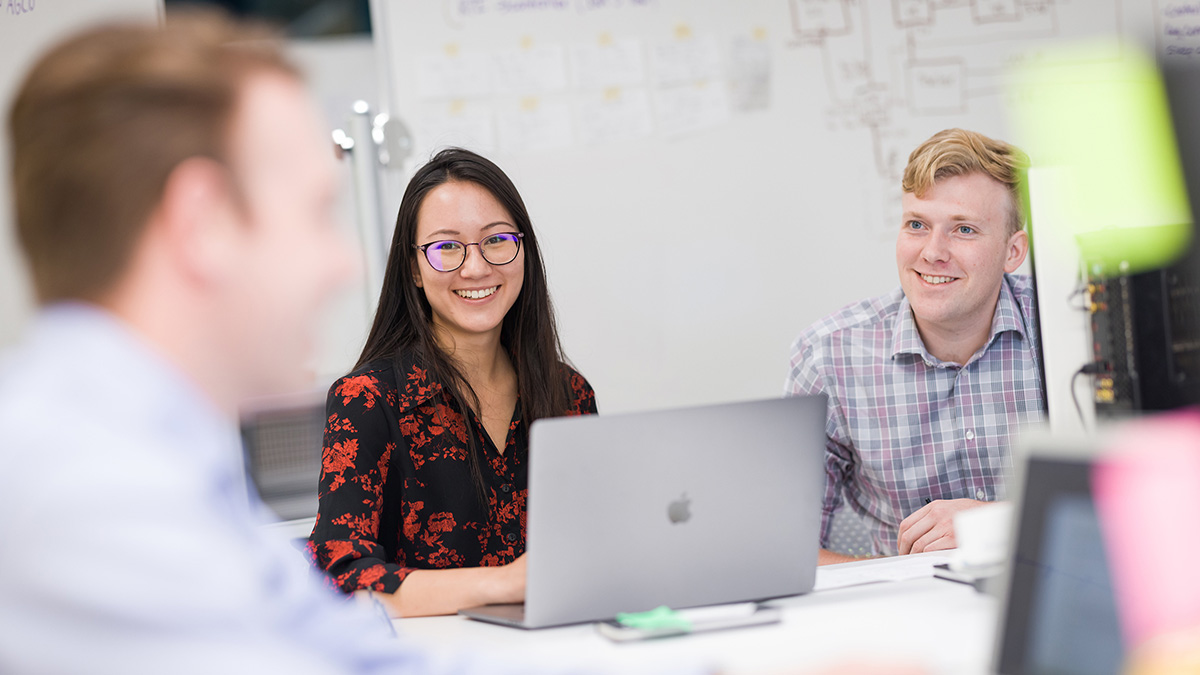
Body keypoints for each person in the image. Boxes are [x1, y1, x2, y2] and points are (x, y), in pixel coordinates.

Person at [0, 13, 593, 674]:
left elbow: (337, 644)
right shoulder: (88, 491)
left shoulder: (171, 451)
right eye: (314, 212)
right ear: (203, 223)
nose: (343, 263)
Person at [309, 148, 597, 617]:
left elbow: (595, 552)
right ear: (415, 270)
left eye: (497, 240)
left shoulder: (570, 395)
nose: (476, 267)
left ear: (524, 249)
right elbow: (337, 580)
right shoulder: (367, 399)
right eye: (447, 247)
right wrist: (503, 583)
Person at [785, 128, 1045, 564]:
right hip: (908, 616)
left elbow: (1159, 498)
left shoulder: (1073, 326)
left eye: (963, 229)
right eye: (917, 225)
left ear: (1012, 252)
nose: (932, 252)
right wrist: (899, 583)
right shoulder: (828, 355)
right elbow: (788, 546)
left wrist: (995, 524)